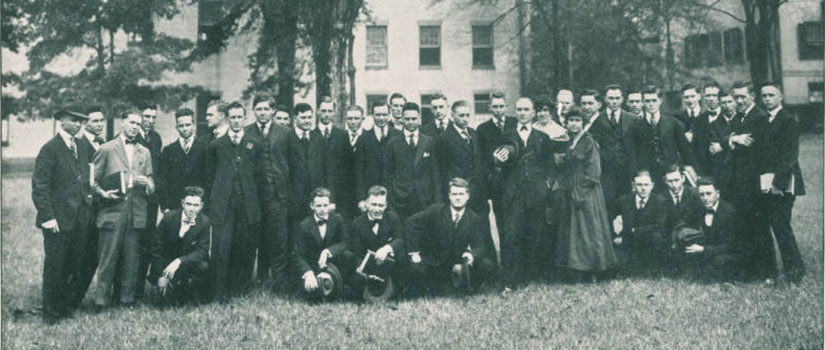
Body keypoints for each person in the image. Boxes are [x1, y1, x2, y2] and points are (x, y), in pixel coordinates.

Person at [32, 107, 94, 323]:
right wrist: (48, 217)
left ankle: (65, 306)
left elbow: (85, 179)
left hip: (79, 219)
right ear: (61, 121)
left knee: (73, 266)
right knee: (55, 267)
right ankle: (51, 313)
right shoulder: (50, 149)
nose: (78, 124)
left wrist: (87, 200)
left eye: (81, 121)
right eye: (74, 120)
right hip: (57, 222)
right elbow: (40, 187)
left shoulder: (81, 146)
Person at [92, 108, 155, 308]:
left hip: (136, 211)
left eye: (139, 124)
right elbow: (92, 182)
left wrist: (147, 183)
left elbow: (152, 186)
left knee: (132, 258)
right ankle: (101, 300)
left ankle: (126, 299)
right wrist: (104, 194)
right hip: (112, 210)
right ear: (123, 123)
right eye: (132, 123)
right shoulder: (107, 149)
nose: (136, 127)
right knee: (108, 257)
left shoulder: (144, 152)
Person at [203, 101, 265, 299]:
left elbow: (259, 176)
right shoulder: (216, 146)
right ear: (227, 119)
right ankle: (219, 291)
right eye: (233, 117)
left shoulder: (254, 144)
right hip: (223, 206)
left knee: (245, 247)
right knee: (222, 247)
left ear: (245, 119)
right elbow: (210, 177)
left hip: (247, 205)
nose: (236, 121)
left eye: (240, 117)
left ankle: (241, 289)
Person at [552, 108, 617, 281]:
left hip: (586, 189)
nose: (573, 124)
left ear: (583, 123)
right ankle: (575, 271)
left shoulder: (589, 142)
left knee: (587, 230)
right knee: (572, 231)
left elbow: (594, 171)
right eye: (570, 120)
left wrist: (580, 191)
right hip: (569, 187)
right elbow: (565, 167)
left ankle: (592, 270)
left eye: (577, 120)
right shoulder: (567, 141)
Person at [404, 178, 496, 293]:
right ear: (449, 196)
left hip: (457, 262)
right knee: (416, 269)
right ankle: (429, 289)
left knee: (486, 265)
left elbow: (481, 246)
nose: (458, 197)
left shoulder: (474, 218)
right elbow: (411, 223)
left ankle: (469, 288)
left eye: (461, 194)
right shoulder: (436, 210)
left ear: (467, 196)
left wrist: (471, 255)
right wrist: (414, 252)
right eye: (454, 194)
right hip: (435, 262)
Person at [754, 81, 806, 283]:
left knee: (781, 226)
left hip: (783, 183)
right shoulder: (761, 120)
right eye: (764, 95)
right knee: (764, 226)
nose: (767, 98)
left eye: (771, 95)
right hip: (764, 183)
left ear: (780, 97)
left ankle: (795, 272)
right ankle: (770, 272)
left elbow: (789, 155)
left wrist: (778, 183)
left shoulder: (788, 121)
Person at [496, 97, 551, 285]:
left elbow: (549, 164)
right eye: (519, 109)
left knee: (535, 233)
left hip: (537, 193)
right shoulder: (506, 135)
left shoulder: (542, 137)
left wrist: (546, 185)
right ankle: (512, 278)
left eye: (526, 109)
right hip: (514, 193)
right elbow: (499, 160)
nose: (522, 112)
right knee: (513, 234)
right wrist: (499, 159)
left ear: (533, 112)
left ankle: (532, 276)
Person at [726, 81, 770, 281]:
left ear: (752, 97)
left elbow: (753, 144)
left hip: (755, 182)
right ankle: (749, 270)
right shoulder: (738, 117)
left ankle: (765, 271)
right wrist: (733, 139)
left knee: (759, 226)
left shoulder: (759, 117)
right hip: (739, 183)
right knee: (743, 226)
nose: (739, 101)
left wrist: (735, 140)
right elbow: (727, 136)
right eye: (736, 97)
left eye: (743, 97)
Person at [149, 186, 211, 304]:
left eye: (196, 205)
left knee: (203, 267)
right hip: (167, 265)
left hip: (186, 263)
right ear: (182, 203)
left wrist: (179, 261)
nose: (192, 209)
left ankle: (192, 291)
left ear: (201, 206)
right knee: (162, 302)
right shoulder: (168, 218)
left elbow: (202, 252)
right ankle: (171, 288)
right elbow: (156, 248)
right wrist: (160, 275)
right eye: (188, 204)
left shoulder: (205, 222)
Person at [382, 102, 442, 219]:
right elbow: (388, 175)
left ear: (419, 118)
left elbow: (435, 174)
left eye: (414, 118)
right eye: (407, 119)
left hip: (425, 199)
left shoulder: (429, 142)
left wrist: (437, 201)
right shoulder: (393, 143)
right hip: (400, 200)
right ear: (402, 120)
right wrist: (390, 201)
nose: (410, 122)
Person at [671, 177, 738, 281]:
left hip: (724, 253)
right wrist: (682, 234)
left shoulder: (729, 212)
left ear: (717, 193)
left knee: (719, 263)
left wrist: (704, 249)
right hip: (703, 251)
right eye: (701, 194)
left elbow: (732, 245)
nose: (705, 198)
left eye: (709, 193)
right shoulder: (698, 208)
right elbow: (683, 222)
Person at [293, 187, 355, 299]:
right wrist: (308, 273)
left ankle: (337, 286)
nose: (322, 209)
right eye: (318, 206)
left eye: (325, 206)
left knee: (348, 256)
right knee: (311, 292)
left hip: (334, 267)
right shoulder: (304, 226)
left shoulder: (337, 219)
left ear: (330, 205)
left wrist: (327, 251)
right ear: (312, 206)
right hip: (314, 267)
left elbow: (345, 242)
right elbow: (297, 255)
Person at [629, 85, 696, 187]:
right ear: (642, 102)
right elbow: (633, 154)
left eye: (653, 100)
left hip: (670, 174)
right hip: (647, 176)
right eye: (647, 101)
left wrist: (687, 167)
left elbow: (685, 151)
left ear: (660, 101)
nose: (651, 104)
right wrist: (637, 174)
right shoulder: (635, 126)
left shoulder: (674, 123)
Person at [347, 186, 406, 297]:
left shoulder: (392, 218)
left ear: (386, 206)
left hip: (389, 265)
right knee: (356, 285)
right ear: (366, 204)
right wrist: (365, 270)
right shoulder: (357, 224)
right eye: (373, 204)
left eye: (381, 205)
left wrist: (386, 248)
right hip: (367, 267)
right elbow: (357, 253)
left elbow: (400, 239)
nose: (377, 209)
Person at [588, 85, 635, 219]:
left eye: (617, 98)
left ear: (622, 100)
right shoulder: (597, 121)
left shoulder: (632, 119)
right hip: (607, 172)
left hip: (627, 171)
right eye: (611, 98)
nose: (614, 102)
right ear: (605, 100)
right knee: (608, 205)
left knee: (627, 205)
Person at [435, 100, 488, 217]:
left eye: (467, 115)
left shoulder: (474, 134)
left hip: (479, 194)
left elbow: (479, 161)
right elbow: (441, 170)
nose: (465, 119)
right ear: (452, 116)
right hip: (459, 194)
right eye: (461, 115)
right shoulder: (443, 138)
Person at [475, 91, 516, 233]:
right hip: (496, 184)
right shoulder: (482, 129)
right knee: (502, 223)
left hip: (516, 181)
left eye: (501, 106)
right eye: (495, 107)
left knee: (517, 223)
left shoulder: (515, 123)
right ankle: (505, 255)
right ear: (489, 108)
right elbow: (480, 158)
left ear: (506, 107)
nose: (498, 110)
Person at [287, 102, 331, 234]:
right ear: (295, 118)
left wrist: (325, 193)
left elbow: (326, 168)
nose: (307, 121)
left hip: (316, 196)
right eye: (303, 117)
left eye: (309, 117)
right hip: (295, 198)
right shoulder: (287, 139)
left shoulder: (319, 139)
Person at [614, 170, 668, 274]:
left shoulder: (660, 201)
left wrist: (634, 230)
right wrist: (615, 235)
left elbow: (659, 226)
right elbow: (610, 217)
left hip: (647, 241)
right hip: (628, 243)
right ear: (633, 185)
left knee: (656, 237)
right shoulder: (624, 200)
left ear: (652, 185)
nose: (643, 188)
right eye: (639, 185)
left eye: (646, 185)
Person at [136, 102, 163, 299]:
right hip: (135, 198)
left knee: (147, 241)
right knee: (133, 243)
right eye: (147, 116)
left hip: (151, 199)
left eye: (153, 117)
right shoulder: (130, 137)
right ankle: (128, 288)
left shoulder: (155, 138)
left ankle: (139, 288)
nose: (150, 121)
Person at [158, 108, 207, 212]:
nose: (185, 129)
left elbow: (208, 179)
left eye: (188, 125)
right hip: (174, 206)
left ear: (193, 125)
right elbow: (163, 180)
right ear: (176, 127)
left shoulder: (205, 148)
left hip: (198, 206)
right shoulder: (168, 150)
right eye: (181, 126)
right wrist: (165, 206)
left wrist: (205, 206)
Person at [354, 103, 400, 202]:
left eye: (384, 114)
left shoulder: (399, 136)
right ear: (372, 115)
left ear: (389, 114)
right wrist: (361, 199)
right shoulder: (363, 139)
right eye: (378, 115)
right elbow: (359, 171)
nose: (381, 118)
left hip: (395, 194)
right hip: (370, 193)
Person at [316, 96, 352, 218]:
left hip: (339, 193)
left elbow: (348, 166)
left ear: (334, 112)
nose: (326, 114)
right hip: (317, 191)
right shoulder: (311, 134)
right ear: (318, 111)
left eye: (329, 111)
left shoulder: (342, 135)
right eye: (324, 111)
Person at [707, 89, 737, 195]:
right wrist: (733, 142)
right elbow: (714, 151)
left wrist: (723, 145)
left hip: (741, 172)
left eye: (730, 102)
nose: (727, 105)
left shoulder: (742, 121)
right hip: (723, 174)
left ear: (735, 102)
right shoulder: (713, 126)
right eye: (724, 102)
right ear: (720, 104)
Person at [661, 164, 702, 235]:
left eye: (676, 180)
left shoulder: (695, 194)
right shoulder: (661, 198)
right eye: (670, 181)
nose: (674, 185)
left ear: (683, 178)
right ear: (665, 181)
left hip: (692, 235)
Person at [692, 82, 723, 175]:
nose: (711, 99)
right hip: (706, 171)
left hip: (725, 169)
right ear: (704, 97)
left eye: (714, 95)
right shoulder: (699, 119)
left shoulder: (728, 116)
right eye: (708, 95)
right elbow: (695, 148)